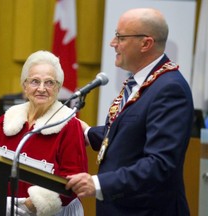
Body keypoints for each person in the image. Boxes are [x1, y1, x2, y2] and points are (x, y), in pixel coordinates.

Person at [66, 8, 194, 216]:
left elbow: (160, 164)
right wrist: (87, 133)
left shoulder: (170, 89)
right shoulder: (142, 81)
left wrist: (97, 183)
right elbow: (128, 135)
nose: (112, 43)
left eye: (120, 37)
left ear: (146, 43)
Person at [0, 50, 88, 216]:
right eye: (35, 81)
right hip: (7, 208)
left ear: (58, 88)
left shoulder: (69, 124)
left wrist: (31, 204)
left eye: (49, 82)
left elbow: (74, 180)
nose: (41, 89)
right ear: (25, 87)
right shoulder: (5, 122)